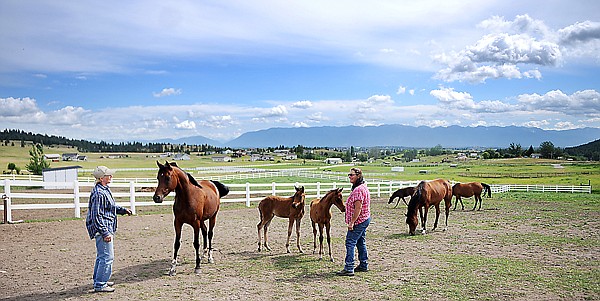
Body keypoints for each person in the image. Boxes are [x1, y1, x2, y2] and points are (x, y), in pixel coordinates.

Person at [86, 166, 132, 293]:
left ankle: (99, 280)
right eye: (108, 175)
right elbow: (97, 215)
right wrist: (105, 232)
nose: (111, 176)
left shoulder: (104, 190)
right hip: (104, 228)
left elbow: (109, 206)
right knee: (107, 257)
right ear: (101, 178)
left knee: (102, 256)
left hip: (106, 226)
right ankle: (100, 284)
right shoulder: (100, 193)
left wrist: (122, 210)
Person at [337, 167, 371, 276]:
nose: (350, 177)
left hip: (359, 221)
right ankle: (363, 264)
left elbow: (358, 208)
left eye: (352, 175)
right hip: (365, 218)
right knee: (360, 241)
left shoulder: (358, 190)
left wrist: (352, 222)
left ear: (358, 176)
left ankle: (349, 267)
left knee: (350, 242)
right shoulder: (362, 186)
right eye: (349, 175)